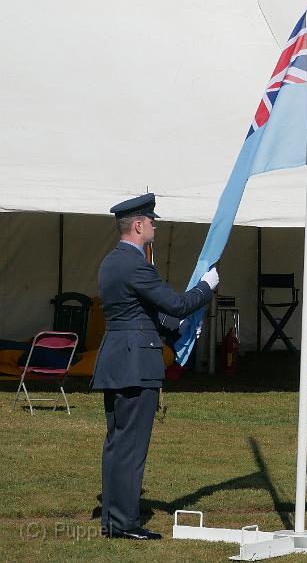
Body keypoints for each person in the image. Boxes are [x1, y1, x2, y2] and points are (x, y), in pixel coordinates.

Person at [92, 193, 219, 540]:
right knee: (131, 445)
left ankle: (113, 517)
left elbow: (145, 311)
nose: (154, 227)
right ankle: (124, 523)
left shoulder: (110, 262)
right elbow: (176, 304)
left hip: (118, 359)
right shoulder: (135, 264)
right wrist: (206, 289)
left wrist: (178, 329)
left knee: (118, 442)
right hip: (136, 363)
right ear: (137, 225)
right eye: (151, 222)